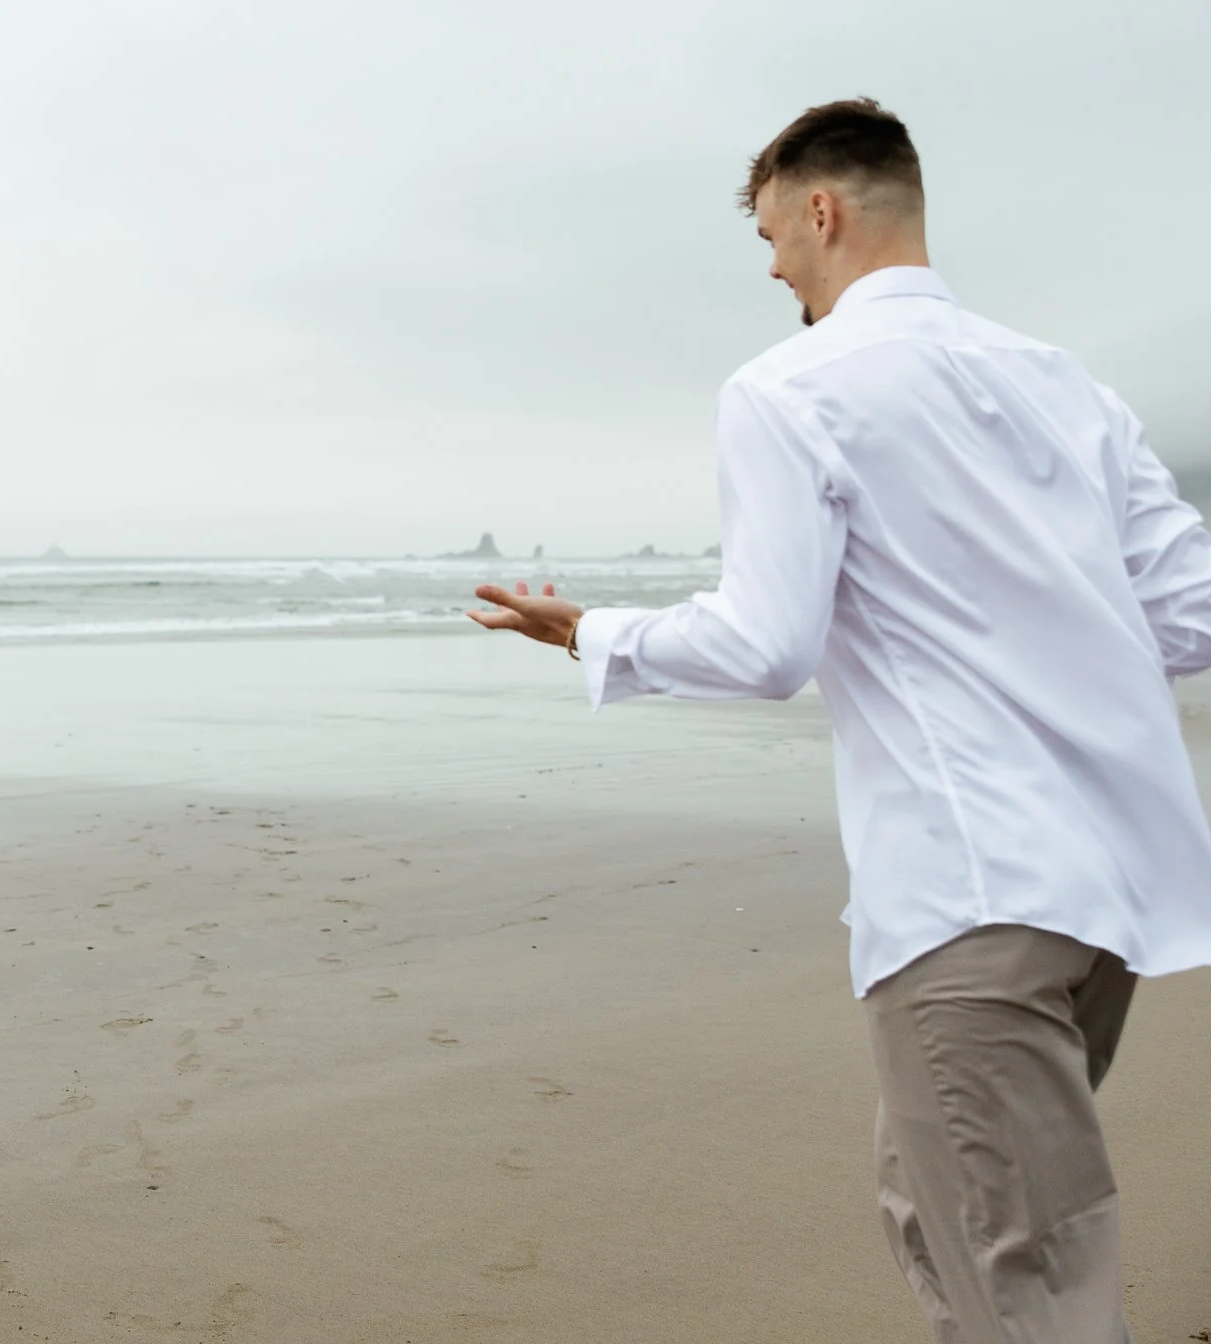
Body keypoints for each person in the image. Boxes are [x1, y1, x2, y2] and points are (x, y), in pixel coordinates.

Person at [469, 98, 1211, 1343]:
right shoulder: (1061, 385)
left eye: (771, 236)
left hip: (972, 893)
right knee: (937, 1210)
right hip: (1106, 904)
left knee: (1024, 1267)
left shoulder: (789, 388)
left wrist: (594, 632)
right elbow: (1192, 614)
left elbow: (766, 645)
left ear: (822, 209)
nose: (772, 268)